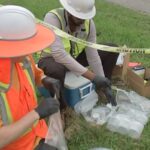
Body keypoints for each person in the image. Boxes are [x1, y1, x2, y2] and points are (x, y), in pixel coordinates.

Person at [38, 0, 117, 108]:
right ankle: (61, 108)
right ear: (68, 11)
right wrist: (92, 77)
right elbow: (58, 53)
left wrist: (101, 79)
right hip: (51, 60)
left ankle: (104, 87)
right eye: (78, 18)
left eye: (84, 18)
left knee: (112, 49)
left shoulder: (89, 24)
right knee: (56, 69)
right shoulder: (53, 18)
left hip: (74, 57)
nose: (81, 22)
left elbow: (92, 55)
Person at [0, 5, 59, 150]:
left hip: (37, 134)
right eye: (25, 46)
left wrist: (44, 79)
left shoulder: (22, 58)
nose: (31, 50)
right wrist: (37, 113)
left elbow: (34, 72)